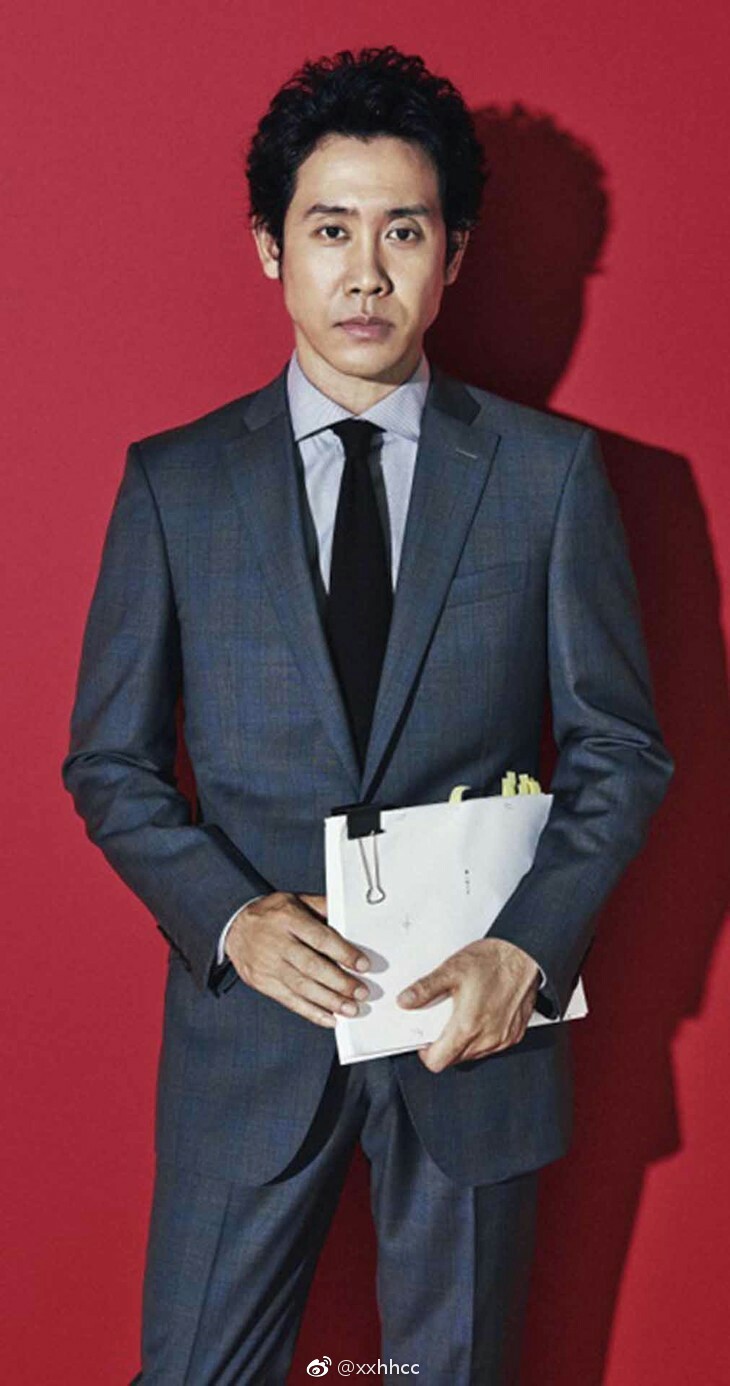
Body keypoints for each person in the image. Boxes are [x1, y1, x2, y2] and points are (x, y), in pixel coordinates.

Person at [61, 44, 674, 1384]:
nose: (366, 273)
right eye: (329, 228)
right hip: (250, 1037)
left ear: (453, 255)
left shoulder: (549, 476)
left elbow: (622, 749)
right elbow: (107, 759)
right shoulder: (174, 485)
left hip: (470, 1032)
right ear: (269, 249)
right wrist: (230, 918)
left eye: (403, 230)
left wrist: (529, 951)